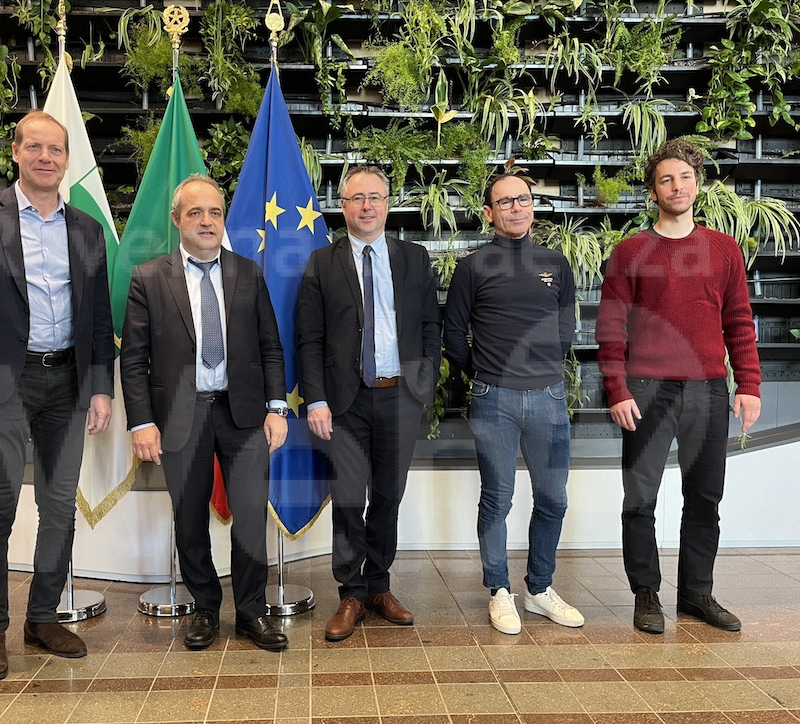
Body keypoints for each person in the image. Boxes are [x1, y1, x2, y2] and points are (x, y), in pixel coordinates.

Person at [0, 110, 115, 682]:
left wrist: (101, 387)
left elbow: (98, 317)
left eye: (55, 149)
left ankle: (41, 619)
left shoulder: (87, 229)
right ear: (15, 153)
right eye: (34, 147)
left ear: (67, 159)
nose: (45, 157)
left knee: (59, 507)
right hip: (1, 385)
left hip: (67, 383)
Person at [596, 137, 761, 634]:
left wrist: (748, 384)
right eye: (666, 179)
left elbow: (739, 321)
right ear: (653, 192)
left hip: (708, 389)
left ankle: (696, 595)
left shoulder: (723, 249)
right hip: (647, 390)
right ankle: (646, 594)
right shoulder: (630, 252)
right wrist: (617, 389)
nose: (677, 186)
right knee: (640, 500)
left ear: (697, 185)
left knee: (705, 498)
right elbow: (610, 327)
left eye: (685, 177)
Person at [120, 175, 290, 652]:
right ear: (177, 219)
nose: (207, 221)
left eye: (215, 212)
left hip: (245, 415)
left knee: (251, 516)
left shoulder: (248, 273)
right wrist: (142, 422)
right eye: (195, 212)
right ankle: (206, 608)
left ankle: (251, 612)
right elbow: (133, 359)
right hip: (181, 416)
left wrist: (277, 407)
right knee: (190, 517)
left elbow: (270, 347)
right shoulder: (149, 278)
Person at [297, 165, 441, 641]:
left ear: (387, 203)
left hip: (400, 396)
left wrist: (423, 384)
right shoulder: (322, 262)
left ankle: (379, 585)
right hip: (345, 401)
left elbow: (430, 327)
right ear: (342, 207)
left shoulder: (414, 258)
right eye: (357, 198)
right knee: (348, 499)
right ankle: (351, 593)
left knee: (388, 496)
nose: (366, 206)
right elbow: (309, 338)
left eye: (375, 197)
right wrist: (316, 399)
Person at [443, 172, 584, 635]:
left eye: (522, 199)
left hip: (549, 397)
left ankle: (539, 589)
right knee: (497, 497)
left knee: (553, 498)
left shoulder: (555, 263)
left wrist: (544, 365)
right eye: (505, 202)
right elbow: (454, 334)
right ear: (489, 213)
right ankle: (499, 590)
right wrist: (485, 373)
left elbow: (565, 327)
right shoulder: (473, 267)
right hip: (494, 399)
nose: (516, 208)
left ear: (532, 205)